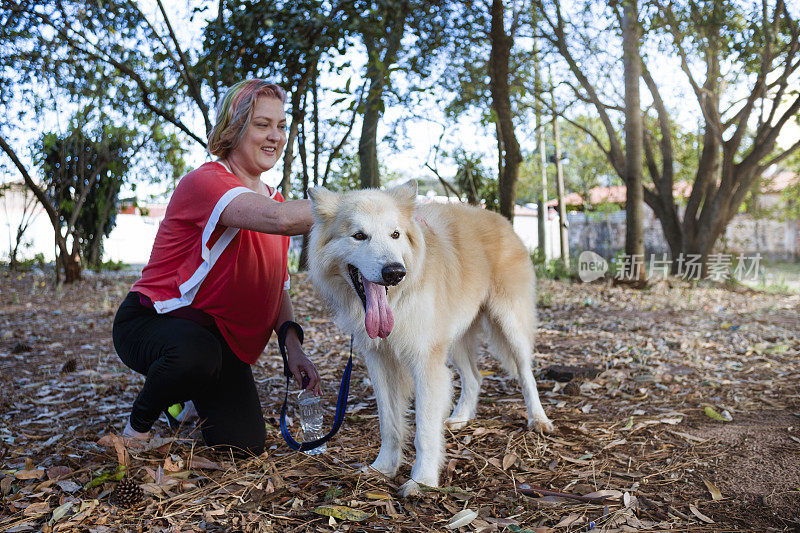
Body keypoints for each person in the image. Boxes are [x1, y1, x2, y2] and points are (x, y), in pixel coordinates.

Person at [112, 79, 321, 456]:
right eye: (262, 124)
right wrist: (367, 206)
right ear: (233, 129)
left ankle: (186, 399)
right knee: (195, 355)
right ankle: (135, 431)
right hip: (150, 323)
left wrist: (293, 347)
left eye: (281, 125)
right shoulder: (206, 182)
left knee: (243, 447)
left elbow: (278, 288)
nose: (275, 136)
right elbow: (283, 220)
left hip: (217, 344)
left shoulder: (275, 200)